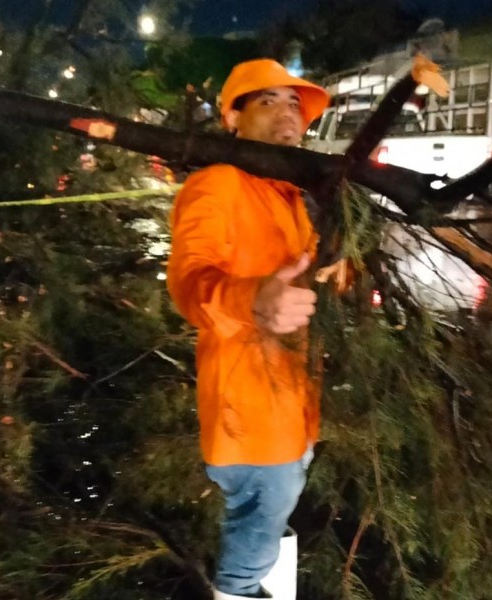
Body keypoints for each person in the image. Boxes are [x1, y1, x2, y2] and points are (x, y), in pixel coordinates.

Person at [166, 59, 330, 600]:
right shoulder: (217, 184)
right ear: (233, 118)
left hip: (293, 407)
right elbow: (189, 281)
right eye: (268, 101)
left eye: (294, 103)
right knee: (252, 547)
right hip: (251, 415)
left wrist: (338, 268)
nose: (288, 114)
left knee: (271, 522)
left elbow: (306, 274)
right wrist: (251, 300)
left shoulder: (288, 195)